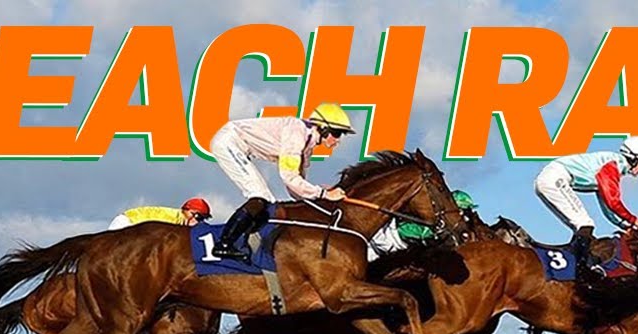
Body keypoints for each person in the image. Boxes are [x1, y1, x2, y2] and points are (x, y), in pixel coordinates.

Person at [209, 103, 357, 261]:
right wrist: (324, 194)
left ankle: (246, 242)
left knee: (268, 201)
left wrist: (320, 198)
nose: (338, 140)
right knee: (260, 196)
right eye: (337, 133)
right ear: (323, 128)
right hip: (228, 143)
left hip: (238, 147)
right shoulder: (297, 135)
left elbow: (296, 189)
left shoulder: (307, 146)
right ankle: (223, 245)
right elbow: (289, 178)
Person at [534, 136, 638, 272]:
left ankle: (575, 264)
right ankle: (580, 269)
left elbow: (607, 208)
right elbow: (613, 202)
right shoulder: (612, 167)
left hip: (549, 179)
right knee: (585, 224)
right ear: (633, 159)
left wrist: (626, 226)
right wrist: (637, 222)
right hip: (554, 179)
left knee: (582, 228)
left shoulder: (612, 167)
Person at [369, 189, 478, 260]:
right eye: (462, 210)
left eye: (466, 212)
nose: (464, 216)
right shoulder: (430, 214)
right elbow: (415, 232)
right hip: (382, 241)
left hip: (399, 251)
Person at [107, 197, 211, 230]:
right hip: (126, 223)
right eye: (197, 216)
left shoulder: (180, 220)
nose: (197, 221)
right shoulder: (171, 219)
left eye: (201, 219)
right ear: (186, 210)